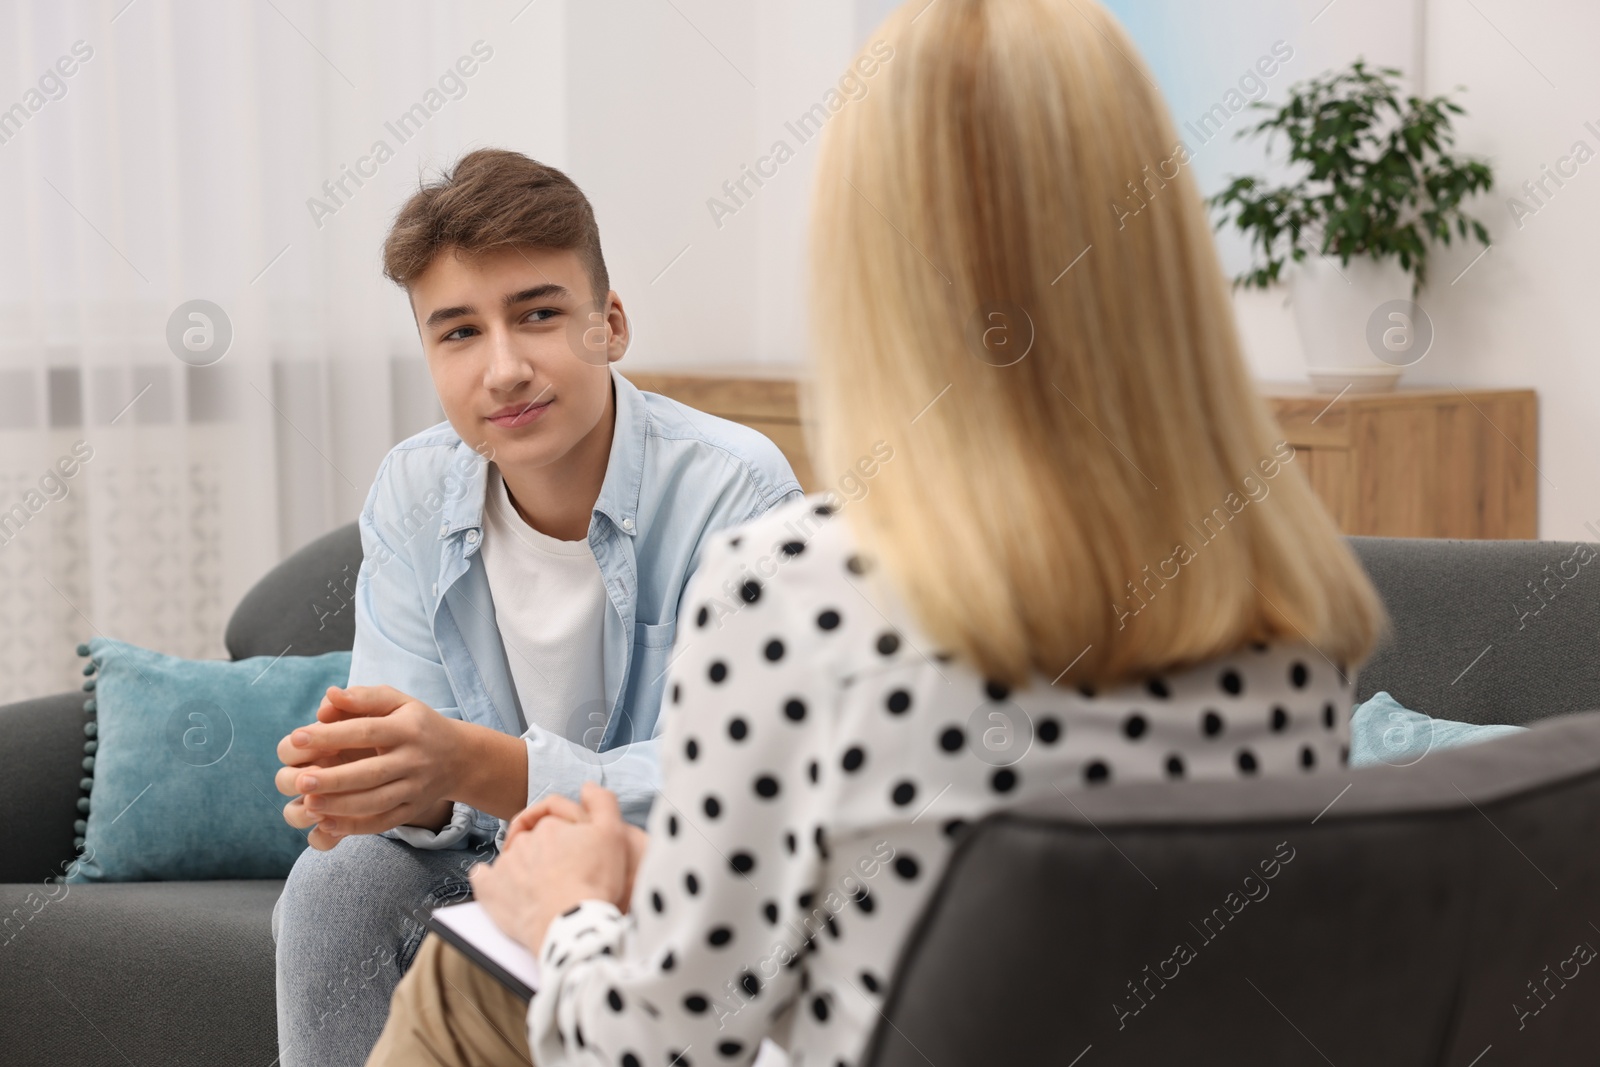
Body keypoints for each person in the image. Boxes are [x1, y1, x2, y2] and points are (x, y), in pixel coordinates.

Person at [365, 1, 1391, 1064]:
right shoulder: (1290, 604)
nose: (505, 364)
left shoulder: (790, 588)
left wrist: (570, 910)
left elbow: (663, 1046)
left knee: (460, 983)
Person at [269, 148, 803, 1067]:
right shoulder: (412, 488)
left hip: (671, 870)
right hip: (485, 863)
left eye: (539, 315)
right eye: (459, 332)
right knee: (333, 879)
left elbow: (736, 782)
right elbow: (416, 782)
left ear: (612, 323)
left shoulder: (736, 489)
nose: (505, 369)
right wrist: (378, 779)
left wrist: (482, 763)